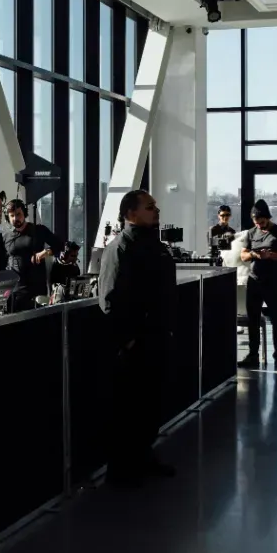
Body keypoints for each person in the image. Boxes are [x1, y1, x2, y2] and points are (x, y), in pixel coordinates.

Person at [98, 189, 176, 486]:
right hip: (135, 345)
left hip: (157, 338)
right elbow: (109, 298)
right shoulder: (121, 247)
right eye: (149, 207)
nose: (156, 211)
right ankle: (120, 471)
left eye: (155, 206)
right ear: (130, 213)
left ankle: (144, 456)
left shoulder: (153, 245)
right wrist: (127, 341)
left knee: (151, 405)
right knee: (128, 409)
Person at [237, 199, 277, 371]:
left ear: (268, 218)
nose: (260, 225)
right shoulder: (251, 233)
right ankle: (253, 355)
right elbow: (243, 256)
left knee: (276, 320)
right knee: (253, 320)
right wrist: (255, 254)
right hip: (254, 281)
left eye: (262, 222)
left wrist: (272, 256)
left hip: (272, 283)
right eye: (256, 223)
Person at [4, 198, 60, 309]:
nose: (16, 218)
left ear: (24, 213)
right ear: (8, 218)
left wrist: (44, 253)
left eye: (18, 214)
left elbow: (59, 245)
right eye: (12, 216)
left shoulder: (38, 230)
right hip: (14, 291)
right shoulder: (6, 236)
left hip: (35, 290)